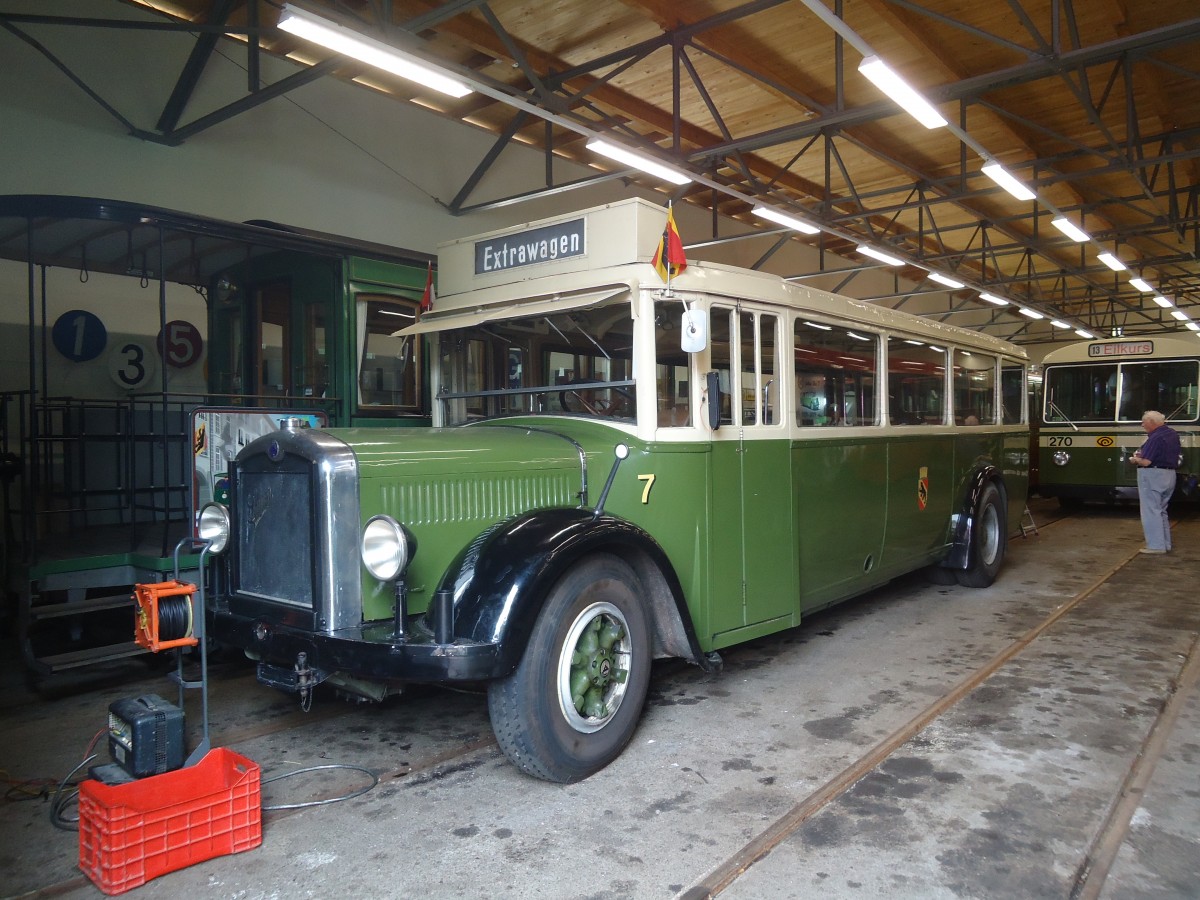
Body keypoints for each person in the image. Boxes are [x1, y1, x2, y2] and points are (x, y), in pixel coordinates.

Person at [1128, 410, 1181, 554]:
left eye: (1144, 422)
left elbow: (1146, 462)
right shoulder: (1172, 434)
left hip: (1153, 475)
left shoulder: (1155, 437)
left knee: (1151, 511)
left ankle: (1156, 546)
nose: (1142, 424)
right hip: (1170, 474)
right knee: (1162, 511)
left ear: (1151, 422)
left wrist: (1134, 459)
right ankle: (1165, 544)